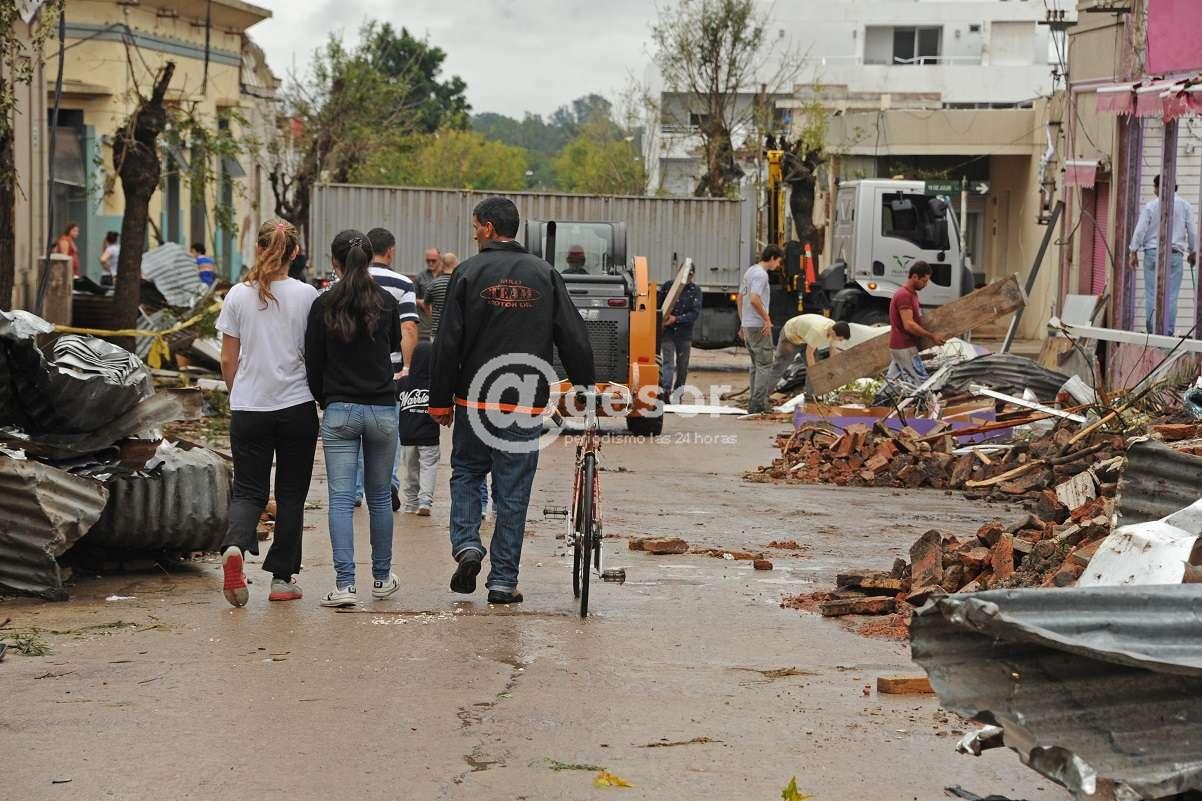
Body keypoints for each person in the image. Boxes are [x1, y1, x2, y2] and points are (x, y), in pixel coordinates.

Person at [429, 196, 595, 605]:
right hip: (524, 405)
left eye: (475, 227)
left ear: (488, 227)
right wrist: (584, 387)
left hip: (474, 401)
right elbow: (573, 335)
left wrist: (439, 400)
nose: (474, 234)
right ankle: (503, 582)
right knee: (513, 493)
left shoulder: (467, 272)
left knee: (467, 473)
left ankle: (468, 545)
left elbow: (447, 341)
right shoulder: (544, 274)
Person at [215, 219, 319, 607]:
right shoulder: (307, 295)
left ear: (258, 248)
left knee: (248, 490)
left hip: (249, 408)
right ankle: (282, 580)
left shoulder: (237, 295)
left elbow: (228, 358)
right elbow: (314, 352)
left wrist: (238, 394)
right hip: (296, 407)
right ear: (296, 252)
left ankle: (235, 546)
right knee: (291, 494)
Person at [305, 229, 401, 607]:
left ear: (335, 262)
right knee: (380, 498)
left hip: (340, 410)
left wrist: (325, 399)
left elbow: (313, 362)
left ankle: (345, 585)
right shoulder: (386, 302)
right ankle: (382, 578)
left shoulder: (323, 304)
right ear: (371, 258)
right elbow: (394, 349)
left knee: (341, 501)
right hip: (382, 409)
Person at [354, 227, 420, 511]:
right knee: (388, 433)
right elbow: (408, 327)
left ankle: (355, 490)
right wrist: (407, 367)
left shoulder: (349, 280)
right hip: (388, 372)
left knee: (354, 434)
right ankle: (387, 484)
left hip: (352, 371)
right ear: (390, 251)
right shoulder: (403, 284)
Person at [1128, 174, 1198, 335]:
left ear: (1159, 187)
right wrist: (1193, 251)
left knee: (1152, 294)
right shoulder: (1185, 206)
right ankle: (1168, 333)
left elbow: (1140, 230)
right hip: (1175, 255)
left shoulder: (1151, 206)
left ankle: (1152, 332)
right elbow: (1192, 232)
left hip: (1152, 254)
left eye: (1154, 186)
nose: (1153, 189)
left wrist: (1133, 251)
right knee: (1171, 296)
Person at [736, 245, 782, 414]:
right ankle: (758, 404)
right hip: (758, 325)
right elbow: (754, 299)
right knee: (765, 364)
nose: (778, 265)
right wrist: (767, 319)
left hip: (749, 325)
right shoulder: (761, 275)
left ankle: (755, 401)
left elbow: (740, 298)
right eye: (778, 261)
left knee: (756, 365)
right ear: (772, 258)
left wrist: (743, 322)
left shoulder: (750, 271)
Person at [397, 340, 440, 516]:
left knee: (410, 471)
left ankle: (411, 503)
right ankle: (425, 502)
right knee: (428, 467)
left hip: (407, 435)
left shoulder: (403, 383)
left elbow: (394, 396)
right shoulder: (436, 384)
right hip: (429, 434)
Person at [888, 261, 944, 385]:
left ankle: (880, 398)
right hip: (904, 346)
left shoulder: (912, 294)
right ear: (914, 277)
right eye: (924, 281)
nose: (926, 284)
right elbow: (908, 325)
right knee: (921, 384)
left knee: (892, 383)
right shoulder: (904, 295)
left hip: (900, 346)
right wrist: (931, 336)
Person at [657, 263, 702, 402]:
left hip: (684, 333)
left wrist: (676, 319)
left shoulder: (695, 291)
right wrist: (662, 321)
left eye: (690, 275)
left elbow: (694, 314)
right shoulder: (668, 287)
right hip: (668, 332)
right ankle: (665, 392)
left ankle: (678, 394)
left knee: (682, 366)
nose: (687, 277)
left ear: (692, 275)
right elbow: (659, 306)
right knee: (668, 363)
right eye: (685, 274)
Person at [772, 314, 851, 389]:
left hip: (806, 338)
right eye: (840, 339)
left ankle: (811, 395)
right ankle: (764, 396)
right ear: (834, 333)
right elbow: (809, 354)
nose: (840, 341)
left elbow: (832, 348)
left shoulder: (834, 328)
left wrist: (834, 367)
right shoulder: (818, 332)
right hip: (791, 336)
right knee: (779, 368)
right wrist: (815, 374)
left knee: (815, 366)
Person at [425, 251, 457, 336]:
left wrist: (432, 315)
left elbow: (426, 304)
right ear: (456, 265)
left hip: (437, 330)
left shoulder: (434, 284)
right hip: (455, 331)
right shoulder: (459, 283)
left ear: (442, 264)